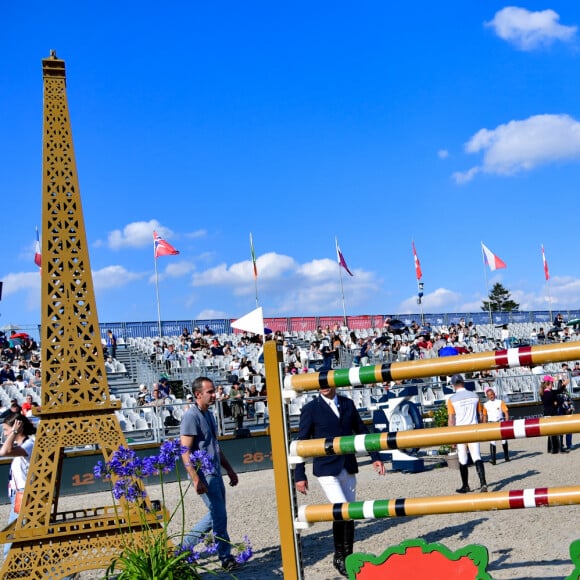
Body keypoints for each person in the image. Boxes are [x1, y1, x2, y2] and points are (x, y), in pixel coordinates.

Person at [295, 382, 386, 577]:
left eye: (327, 383)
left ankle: (348, 556)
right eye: (320, 384)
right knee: (342, 509)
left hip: (347, 465)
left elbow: (361, 430)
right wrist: (299, 474)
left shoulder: (347, 403)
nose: (323, 387)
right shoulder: (310, 409)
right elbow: (301, 442)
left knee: (349, 512)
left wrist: (375, 457)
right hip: (326, 468)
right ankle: (339, 556)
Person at [180, 377, 240, 571]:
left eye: (214, 391)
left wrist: (229, 469)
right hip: (204, 474)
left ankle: (185, 548)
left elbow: (215, 447)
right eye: (210, 392)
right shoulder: (191, 417)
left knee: (217, 515)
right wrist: (196, 479)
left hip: (214, 472)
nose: (215, 395)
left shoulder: (209, 415)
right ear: (198, 395)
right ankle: (225, 556)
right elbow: (185, 451)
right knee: (218, 515)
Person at [0, 413, 36, 557]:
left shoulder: (28, 445)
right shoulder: (23, 446)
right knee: (22, 538)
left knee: (12, 540)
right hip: (18, 494)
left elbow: (4, 451)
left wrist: (14, 432)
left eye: (6, 430)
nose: (4, 433)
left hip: (22, 494)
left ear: (17, 427)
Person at [447, 374, 488, 493]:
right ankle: (483, 483)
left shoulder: (452, 399)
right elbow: (479, 415)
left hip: (460, 431)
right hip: (473, 429)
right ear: (463, 383)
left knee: (463, 459)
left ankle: (465, 485)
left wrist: (451, 438)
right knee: (477, 457)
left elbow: (451, 420)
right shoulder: (475, 396)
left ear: (454, 385)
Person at [482, 387, 510, 463]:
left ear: (494, 394)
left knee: (504, 439)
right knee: (492, 441)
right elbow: (484, 416)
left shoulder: (500, 402)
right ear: (487, 396)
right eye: (489, 395)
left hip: (501, 422)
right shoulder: (485, 405)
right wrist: (484, 426)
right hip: (491, 423)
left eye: (492, 394)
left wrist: (506, 423)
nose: (491, 396)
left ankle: (506, 457)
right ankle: (493, 459)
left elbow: (506, 413)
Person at [539, 375, 563, 454]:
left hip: (547, 412)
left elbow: (558, 392)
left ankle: (551, 448)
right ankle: (554, 449)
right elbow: (557, 401)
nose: (553, 385)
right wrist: (556, 402)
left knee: (551, 433)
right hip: (551, 413)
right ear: (548, 384)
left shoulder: (545, 392)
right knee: (554, 432)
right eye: (552, 384)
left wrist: (563, 385)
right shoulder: (548, 393)